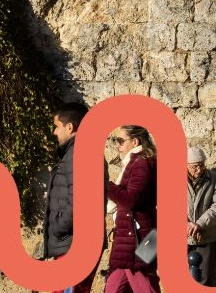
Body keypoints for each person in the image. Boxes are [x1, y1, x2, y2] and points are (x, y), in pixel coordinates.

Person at [44, 102, 105, 293]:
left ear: (70, 127)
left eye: (57, 126)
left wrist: (59, 227)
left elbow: (81, 199)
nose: (54, 132)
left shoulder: (79, 152)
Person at [106, 125, 159, 293]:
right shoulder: (138, 161)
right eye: (115, 141)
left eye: (121, 141)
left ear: (135, 141)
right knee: (114, 286)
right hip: (133, 237)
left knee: (144, 284)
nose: (117, 146)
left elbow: (131, 200)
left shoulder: (141, 163)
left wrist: (106, 186)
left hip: (138, 238)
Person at [186, 145, 216, 284]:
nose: (199, 170)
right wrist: (187, 225)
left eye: (202, 165)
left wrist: (199, 224)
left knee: (203, 279)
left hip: (205, 236)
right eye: (195, 166)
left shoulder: (213, 178)